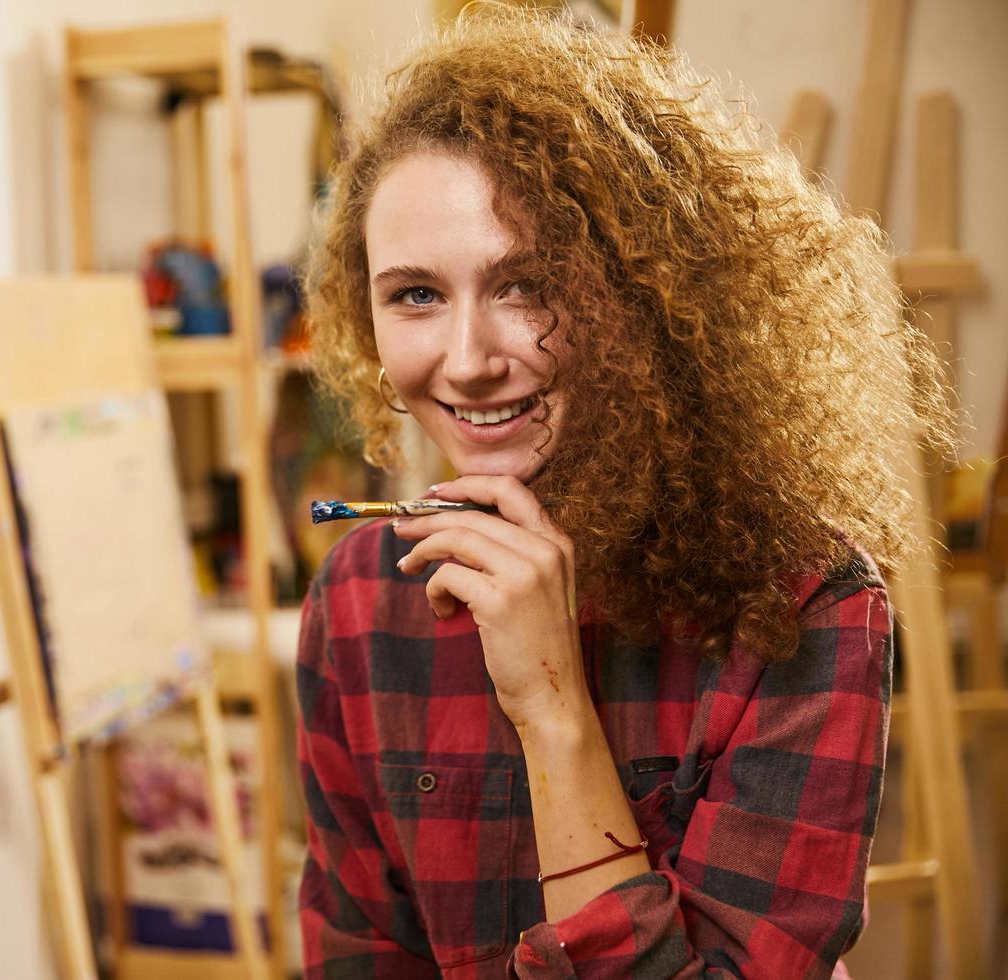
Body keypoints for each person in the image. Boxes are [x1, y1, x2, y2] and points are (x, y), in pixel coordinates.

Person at [295, 8, 953, 978]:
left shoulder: (807, 604)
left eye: (525, 283)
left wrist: (553, 709)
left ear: (639, 293)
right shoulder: (359, 600)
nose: (469, 361)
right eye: (416, 295)